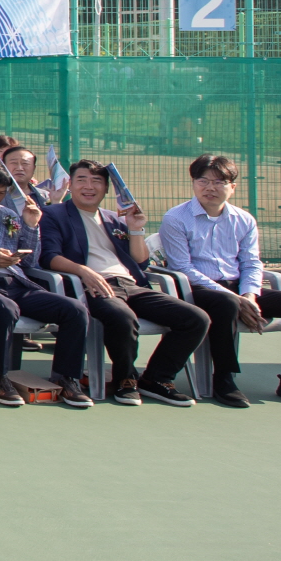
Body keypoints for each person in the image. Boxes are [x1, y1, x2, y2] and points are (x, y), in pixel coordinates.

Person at [157, 155, 281, 409]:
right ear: (193, 183)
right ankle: (224, 379)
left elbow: (251, 263)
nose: (210, 188)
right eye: (203, 181)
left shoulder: (244, 219)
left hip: (239, 288)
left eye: (219, 182)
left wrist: (249, 296)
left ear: (232, 187)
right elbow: (182, 268)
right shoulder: (175, 218)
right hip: (197, 290)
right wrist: (236, 298)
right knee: (226, 303)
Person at [39, 159, 207, 406]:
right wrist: (83, 271)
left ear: (107, 189)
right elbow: (49, 256)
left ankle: (156, 378)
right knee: (123, 317)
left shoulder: (114, 219)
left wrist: (136, 229)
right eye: (81, 180)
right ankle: (125, 380)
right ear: (70, 185)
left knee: (195, 318)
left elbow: (140, 262)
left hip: (131, 285)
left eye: (96, 181)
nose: (89, 186)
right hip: (92, 285)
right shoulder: (53, 214)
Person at [0, 161, 91, 408]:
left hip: (15, 282)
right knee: (5, 308)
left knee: (74, 309)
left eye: (1, 193)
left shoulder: (7, 214)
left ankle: (67, 377)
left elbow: (31, 261)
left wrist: (30, 225)